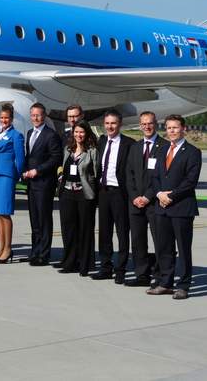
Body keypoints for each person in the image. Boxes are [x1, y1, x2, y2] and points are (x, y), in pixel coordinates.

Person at [147, 115, 202, 300]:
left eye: (175, 127)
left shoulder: (193, 152)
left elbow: (190, 181)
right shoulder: (161, 150)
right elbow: (154, 177)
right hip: (161, 207)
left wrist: (170, 196)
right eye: (169, 128)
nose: (171, 131)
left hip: (181, 207)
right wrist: (159, 194)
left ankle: (184, 285)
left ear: (183, 129)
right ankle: (165, 283)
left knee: (183, 249)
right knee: (164, 248)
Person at [92, 109, 135, 284]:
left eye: (113, 123)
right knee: (104, 232)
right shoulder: (101, 141)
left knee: (122, 233)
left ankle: (121, 269)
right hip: (103, 192)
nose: (110, 126)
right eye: (107, 123)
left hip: (120, 193)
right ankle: (105, 267)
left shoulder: (129, 144)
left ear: (120, 124)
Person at [125, 111, 165, 287]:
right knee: (138, 241)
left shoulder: (164, 146)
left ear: (156, 124)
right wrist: (135, 196)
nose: (147, 127)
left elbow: (162, 176)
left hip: (154, 202)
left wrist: (147, 197)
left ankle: (160, 275)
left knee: (160, 240)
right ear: (140, 125)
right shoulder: (135, 146)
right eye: (144, 124)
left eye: (150, 123)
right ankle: (141, 275)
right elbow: (129, 174)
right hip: (135, 203)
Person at [22, 102, 62, 266]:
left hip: (44, 183)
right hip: (31, 184)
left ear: (44, 116)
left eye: (38, 115)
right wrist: (24, 170)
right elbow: (29, 156)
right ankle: (35, 251)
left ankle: (44, 254)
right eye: (33, 115)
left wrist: (37, 171)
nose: (35, 118)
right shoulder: (30, 132)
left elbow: (56, 158)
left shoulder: (51, 135)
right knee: (34, 220)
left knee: (44, 220)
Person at [57, 121, 99, 276]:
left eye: (81, 132)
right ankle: (69, 262)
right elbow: (62, 167)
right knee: (68, 229)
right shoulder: (68, 149)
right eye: (76, 132)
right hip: (67, 192)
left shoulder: (92, 151)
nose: (78, 135)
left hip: (84, 193)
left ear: (87, 133)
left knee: (85, 229)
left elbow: (96, 173)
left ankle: (85, 264)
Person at [0, 103, 25, 263]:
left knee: (5, 212)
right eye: (2, 117)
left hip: (6, 176)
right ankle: (0, 247)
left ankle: (8, 249)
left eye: (7, 118)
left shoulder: (16, 135)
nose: (4, 120)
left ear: (12, 118)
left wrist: (15, 176)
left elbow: (20, 160)